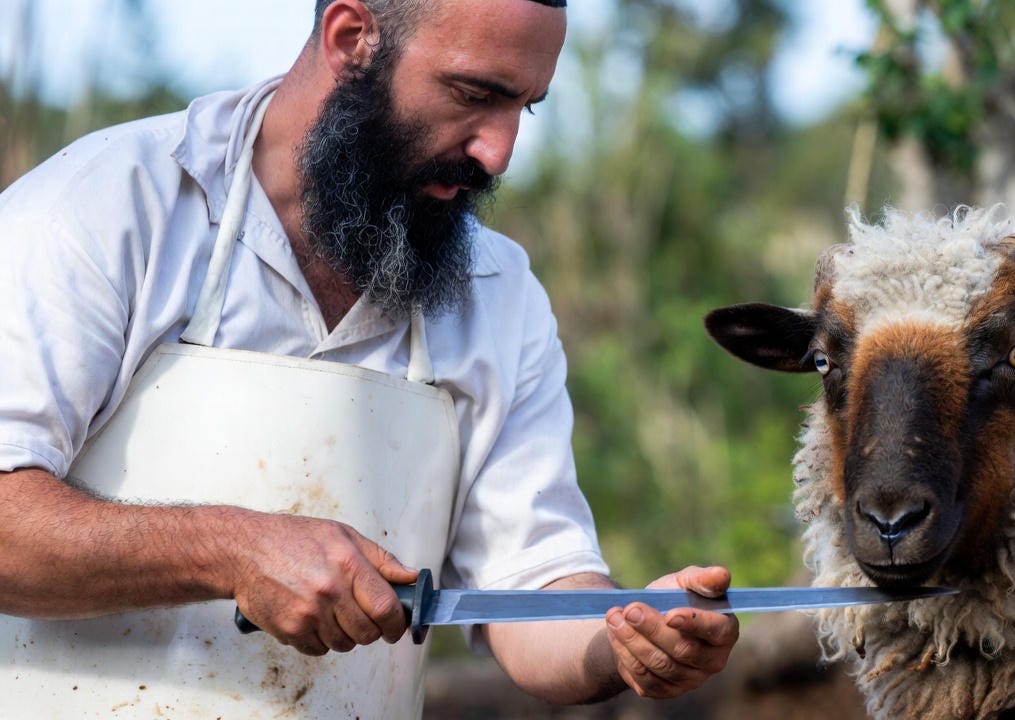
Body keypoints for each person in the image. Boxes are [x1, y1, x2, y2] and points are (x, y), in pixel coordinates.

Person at [0, 0, 739, 716]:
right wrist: (231, 551)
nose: (499, 151)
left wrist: (630, 638)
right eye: (474, 94)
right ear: (351, 38)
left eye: (527, 107)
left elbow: (533, 590)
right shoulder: (107, 207)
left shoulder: (499, 294)